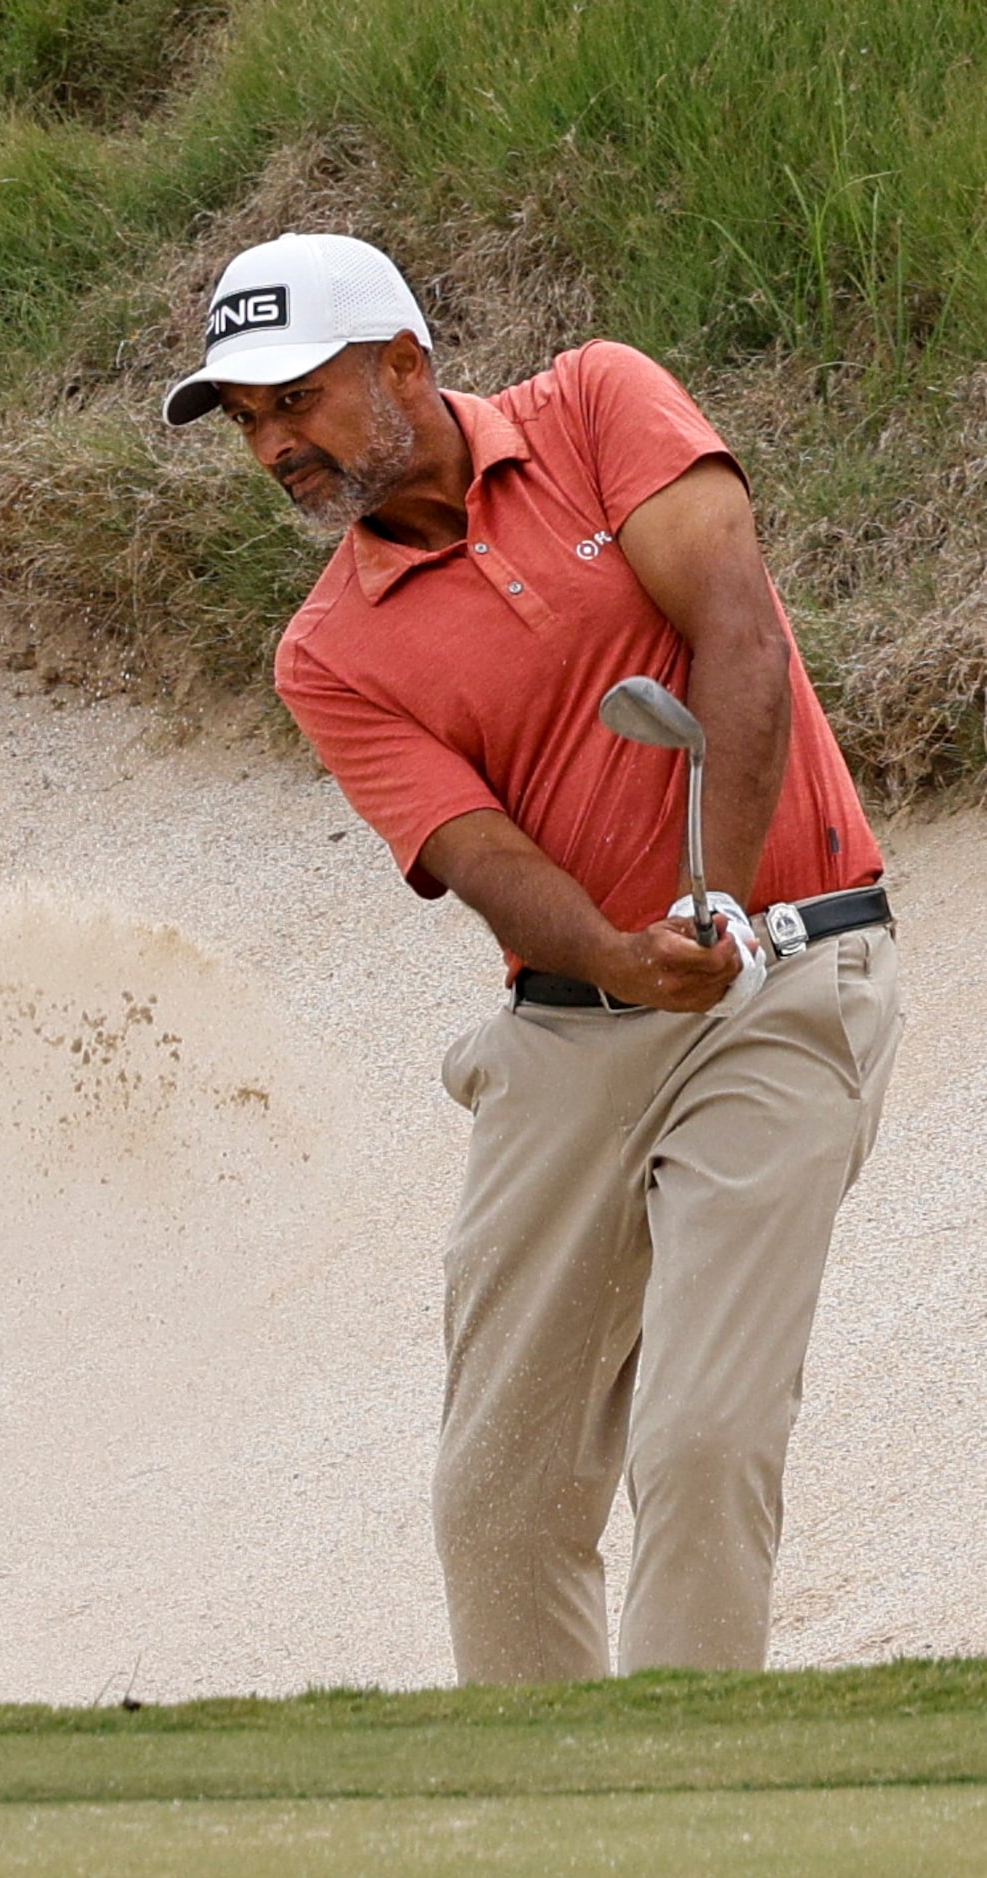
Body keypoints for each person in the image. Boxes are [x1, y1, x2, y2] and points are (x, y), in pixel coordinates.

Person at [163, 232, 902, 1682]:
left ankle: (683, 1816)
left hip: (784, 979)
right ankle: (547, 1815)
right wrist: (627, 956)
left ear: (403, 367)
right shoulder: (328, 651)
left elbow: (739, 636)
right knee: (495, 1500)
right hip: (569, 1029)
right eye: (249, 420)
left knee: (699, 1440)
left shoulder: (597, 407)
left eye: (297, 401)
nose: (274, 447)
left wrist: (719, 904)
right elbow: (481, 853)